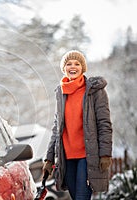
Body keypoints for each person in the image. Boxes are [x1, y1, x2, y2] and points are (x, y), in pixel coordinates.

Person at [42, 50, 113, 199]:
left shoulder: (95, 91)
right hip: (66, 156)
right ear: (64, 68)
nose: (73, 66)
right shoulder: (60, 93)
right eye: (69, 64)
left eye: (77, 63)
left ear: (83, 67)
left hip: (87, 155)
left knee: (82, 196)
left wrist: (105, 153)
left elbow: (104, 124)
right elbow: (57, 128)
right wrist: (49, 158)